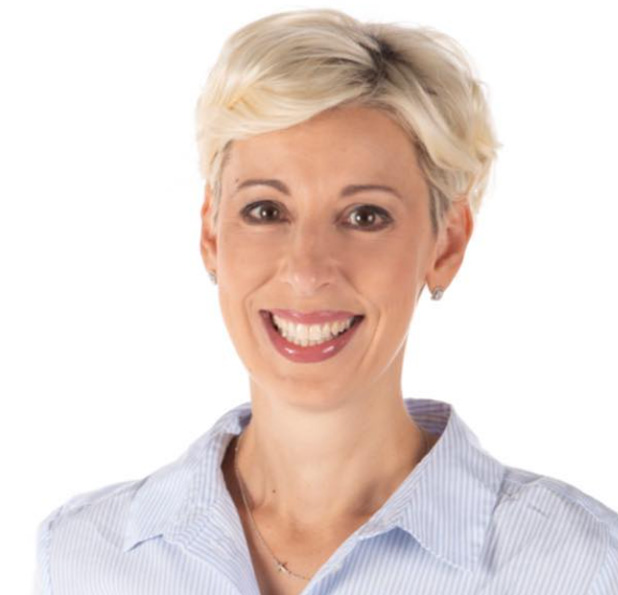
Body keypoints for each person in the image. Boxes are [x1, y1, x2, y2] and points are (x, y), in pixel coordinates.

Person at [34, 8, 618, 595]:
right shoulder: (83, 559)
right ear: (211, 234)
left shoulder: (576, 568)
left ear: (446, 244)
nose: (307, 271)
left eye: (365, 216)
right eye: (266, 210)